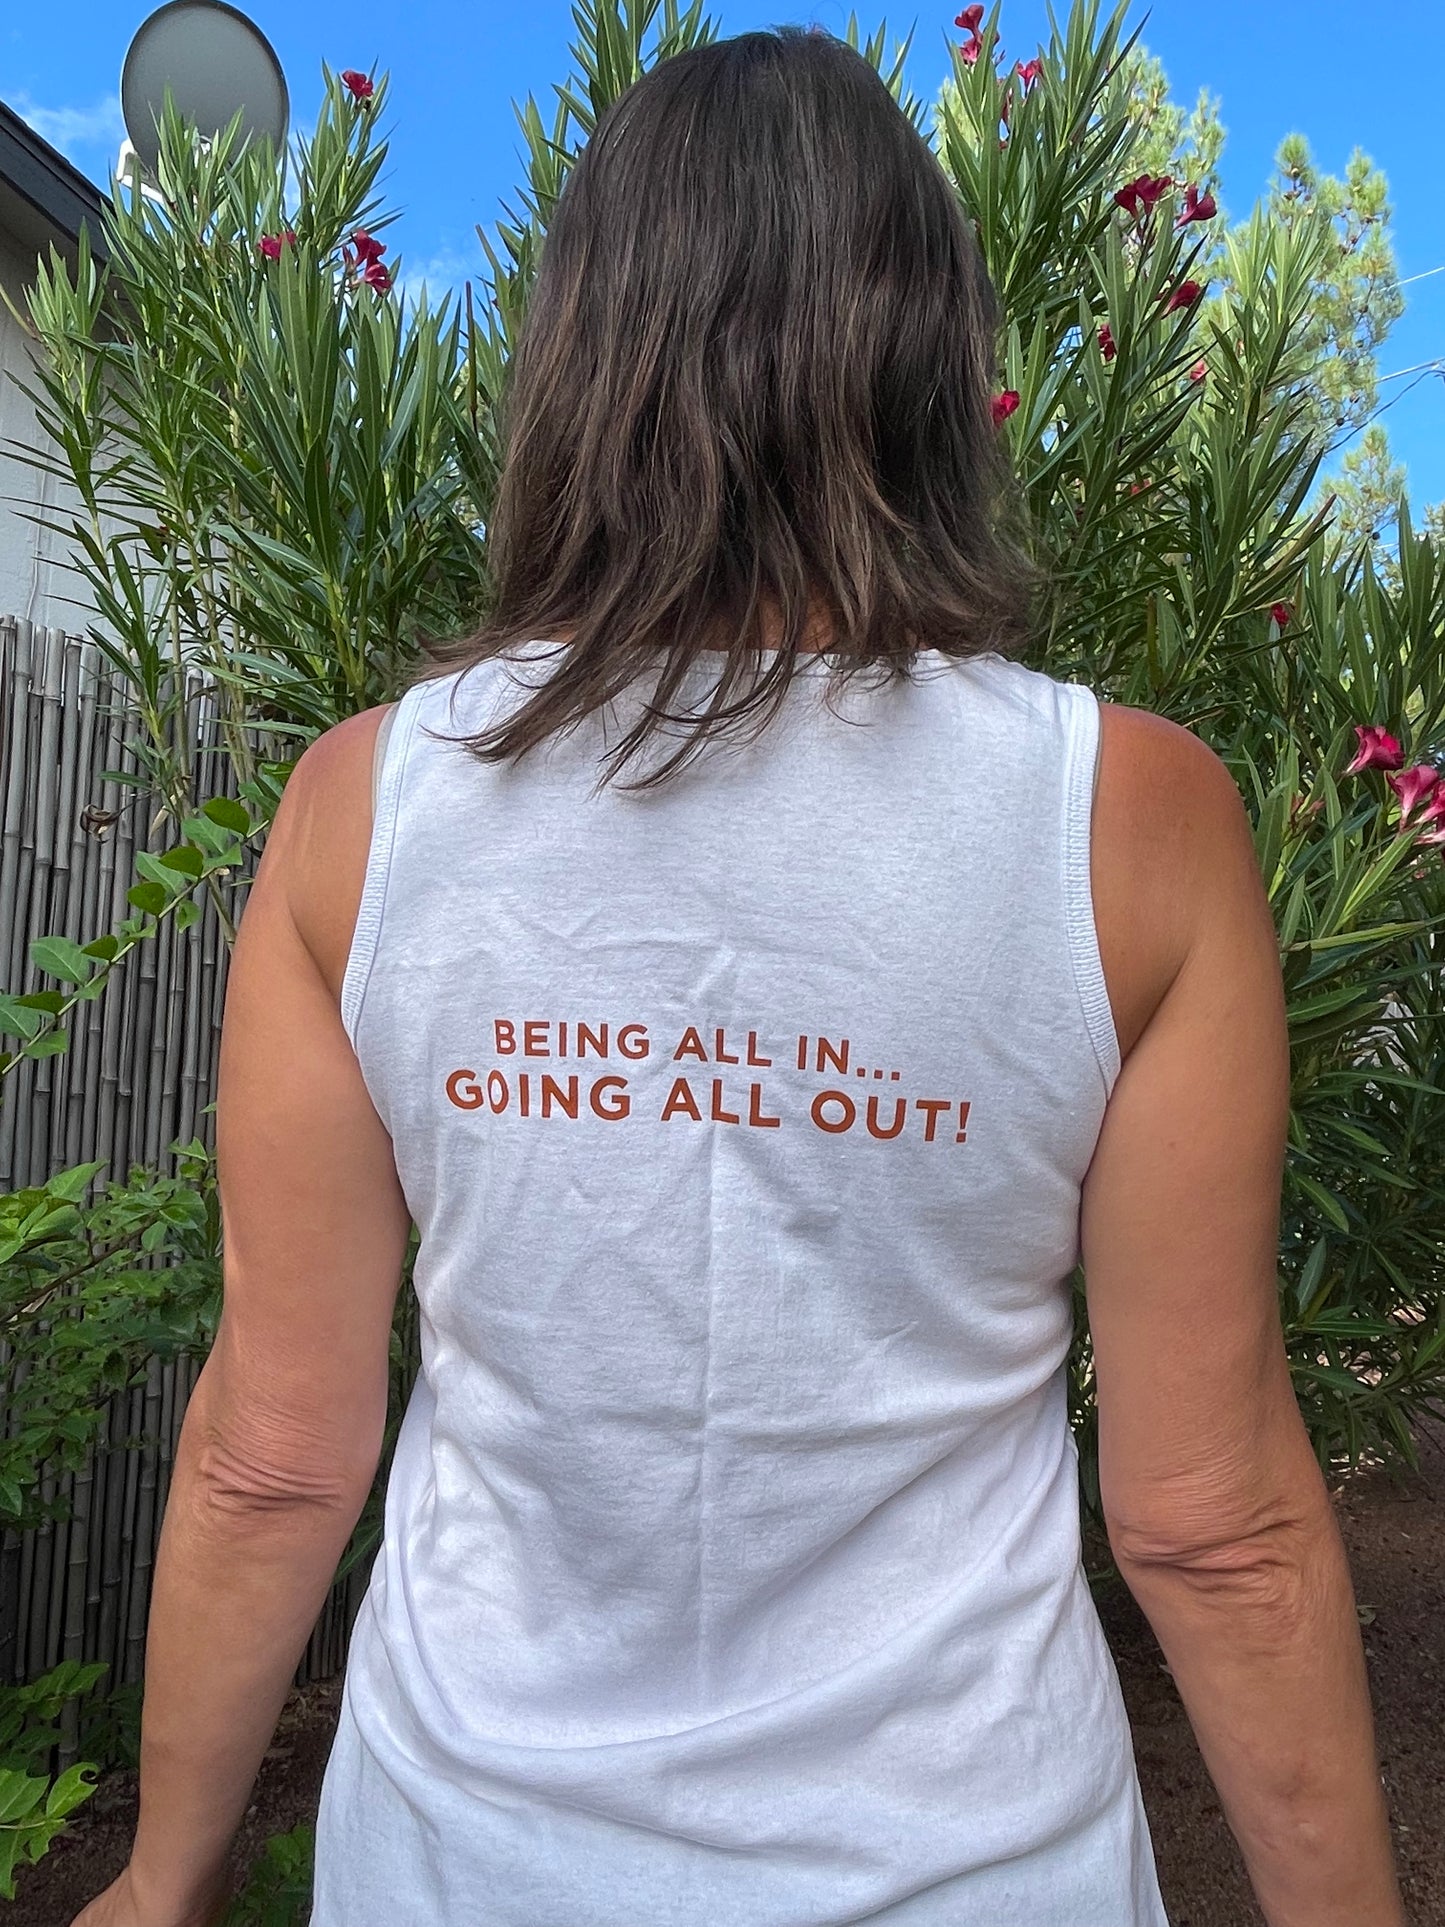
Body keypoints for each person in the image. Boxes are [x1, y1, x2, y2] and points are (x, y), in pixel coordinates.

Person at [72, 25, 1406, 1927]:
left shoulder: (361, 817)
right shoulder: (1132, 824)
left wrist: (160, 1878)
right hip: (977, 1870)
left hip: (465, 1863)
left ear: (576, 365)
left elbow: (275, 1457)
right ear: (934, 363)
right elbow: (1218, 1522)